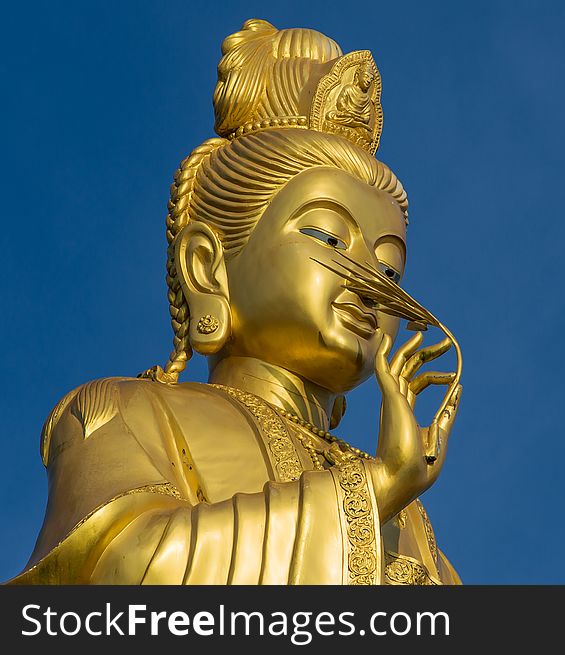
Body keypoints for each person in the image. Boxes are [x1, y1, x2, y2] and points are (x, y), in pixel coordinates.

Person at [9, 19, 462, 585]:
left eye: (391, 267)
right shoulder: (124, 412)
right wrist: (371, 492)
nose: (371, 282)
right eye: (326, 237)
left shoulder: (411, 516)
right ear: (207, 267)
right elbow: (126, 568)